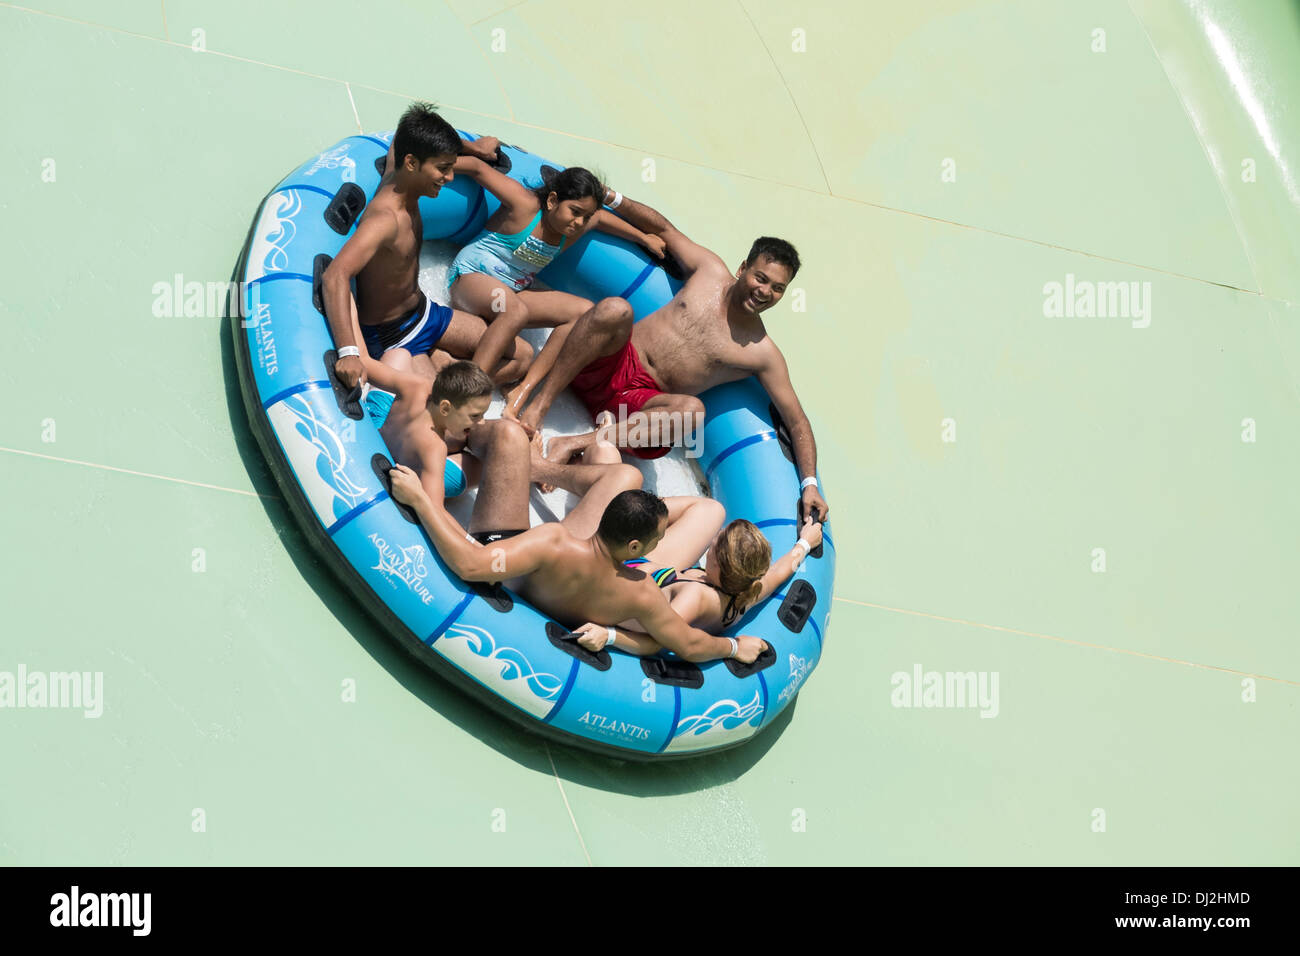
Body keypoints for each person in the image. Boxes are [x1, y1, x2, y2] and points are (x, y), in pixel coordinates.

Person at [511, 190, 830, 523]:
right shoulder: (708, 271)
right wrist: (609, 197)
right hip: (609, 362)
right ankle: (539, 405)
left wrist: (809, 485)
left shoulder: (761, 352)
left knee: (692, 412)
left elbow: (796, 421)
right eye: (760, 278)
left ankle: (572, 443)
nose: (765, 292)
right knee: (614, 309)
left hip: (636, 406)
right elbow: (664, 229)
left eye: (777, 288)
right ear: (743, 268)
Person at [387, 475, 769, 664]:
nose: (659, 545)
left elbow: (470, 564)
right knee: (624, 475)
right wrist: (734, 647)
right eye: (657, 538)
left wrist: (422, 501)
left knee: (510, 439)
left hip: (519, 575)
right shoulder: (641, 593)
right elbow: (688, 644)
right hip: (575, 602)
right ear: (634, 548)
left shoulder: (552, 543)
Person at [323, 102, 534, 391]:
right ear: (411, 163)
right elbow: (335, 274)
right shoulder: (386, 219)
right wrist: (348, 352)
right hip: (393, 336)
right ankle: (444, 377)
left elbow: (406, 127)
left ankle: (443, 363)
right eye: (443, 169)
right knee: (439, 417)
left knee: (522, 357)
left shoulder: (404, 172)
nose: (449, 177)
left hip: (424, 313)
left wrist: (475, 149)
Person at [447, 160, 666, 422]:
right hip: (472, 276)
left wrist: (643, 238)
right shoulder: (525, 206)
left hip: (510, 293)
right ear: (552, 200)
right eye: (574, 211)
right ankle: (465, 396)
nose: (579, 222)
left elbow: (600, 218)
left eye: (584, 216)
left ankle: (521, 391)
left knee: (583, 312)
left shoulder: (572, 228)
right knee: (514, 311)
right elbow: (478, 169)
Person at [573, 517, 823, 655]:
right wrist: (804, 543)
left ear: (718, 564)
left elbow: (658, 641)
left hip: (610, 588)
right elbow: (780, 570)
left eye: (715, 543)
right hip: (647, 573)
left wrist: (609, 636)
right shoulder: (746, 593)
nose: (712, 541)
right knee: (708, 510)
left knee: (618, 481)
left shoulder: (695, 596)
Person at [361, 356, 494, 507]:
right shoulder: (435, 448)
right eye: (476, 415)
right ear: (444, 408)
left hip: (378, 439)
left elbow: (363, 361)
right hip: (402, 476)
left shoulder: (417, 386)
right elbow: (432, 509)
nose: (482, 422)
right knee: (477, 467)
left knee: (399, 354)